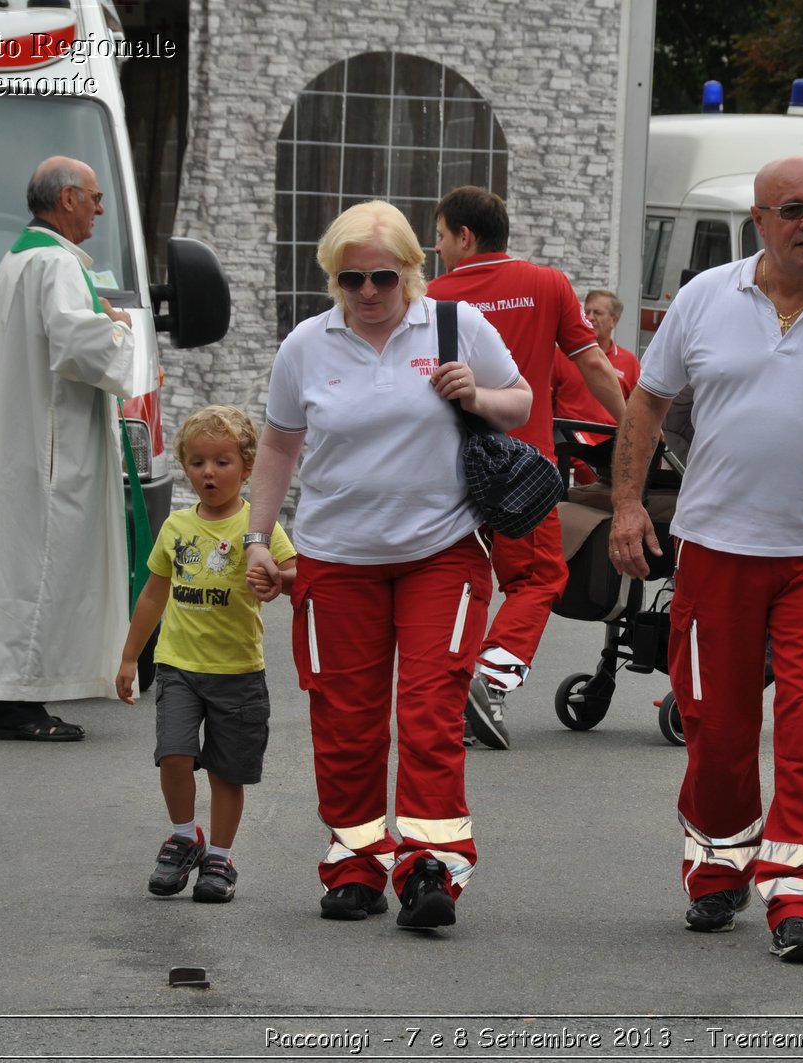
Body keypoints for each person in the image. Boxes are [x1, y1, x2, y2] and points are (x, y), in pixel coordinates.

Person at [608, 157, 803, 964]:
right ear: (759, 219)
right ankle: (718, 863)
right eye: (794, 210)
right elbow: (647, 403)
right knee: (715, 727)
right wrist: (623, 505)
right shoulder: (705, 300)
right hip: (716, 552)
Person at [244, 200, 531, 930]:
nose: (367, 292)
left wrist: (479, 393)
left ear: (412, 270)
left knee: (430, 712)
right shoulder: (306, 344)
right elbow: (279, 446)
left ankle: (430, 864)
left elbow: (520, 402)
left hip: (440, 552)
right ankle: (355, 862)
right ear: (333, 279)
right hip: (336, 560)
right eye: (350, 279)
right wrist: (257, 537)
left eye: (381, 276)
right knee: (346, 719)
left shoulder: (454, 326)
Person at [0, 155, 138, 741]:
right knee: (36, 568)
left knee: (11, 566)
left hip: (23, 438)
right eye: (96, 198)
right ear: (69, 199)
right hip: (49, 449)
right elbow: (78, 346)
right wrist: (119, 328)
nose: (102, 209)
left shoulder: (20, 256)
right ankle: (17, 703)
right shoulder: (55, 263)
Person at [428, 187, 626, 749]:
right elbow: (592, 364)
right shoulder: (549, 285)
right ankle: (490, 679)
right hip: (524, 475)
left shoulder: (432, 297)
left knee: (456, 585)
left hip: (447, 472)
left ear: (465, 236)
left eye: (441, 237)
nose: (438, 249)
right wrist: (636, 426)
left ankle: (446, 699)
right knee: (538, 579)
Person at [116, 405, 296, 903]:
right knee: (172, 755)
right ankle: (183, 836)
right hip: (179, 667)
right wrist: (132, 657)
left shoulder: (258, 528)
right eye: (197, 462)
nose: (208, 473)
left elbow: (298, 573)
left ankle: (220, 855)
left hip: (237, 671)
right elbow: (153, 594)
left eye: (221, 461)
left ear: (247, 466)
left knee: (226, 770)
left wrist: (277, 579)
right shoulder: (176, 527)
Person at [552, 290, 641, 483]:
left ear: (614, 320)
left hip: (609, 447)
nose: (590, 318)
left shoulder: (629, 361)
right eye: (587, 312)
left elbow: (638, 408)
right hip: (569, 443)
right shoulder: (561, 356)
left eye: (598, 313)